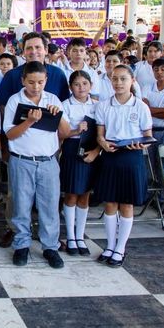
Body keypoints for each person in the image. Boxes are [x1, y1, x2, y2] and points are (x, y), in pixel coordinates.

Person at [3, 61, 69, 269]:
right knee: (21, 205)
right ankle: (21, 244)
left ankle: (50, 247)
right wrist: (29, 121)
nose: (36, 87)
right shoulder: (15, 101)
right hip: (22, 160)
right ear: (23, 80)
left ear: (46, 80)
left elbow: (65, 133)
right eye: (31, 82)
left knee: (49, 206)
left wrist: (57, 115)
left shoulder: (54, 99)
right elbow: (10, 134)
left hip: (48, 161)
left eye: (40, 82)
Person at [94, 64, 153, 267]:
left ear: (132, 81)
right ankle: (110, 245)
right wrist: (102, 143)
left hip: (132, 157)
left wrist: (141, 144)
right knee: (110, 203)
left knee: (126, 204)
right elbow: (100, 133)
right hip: (111, 156)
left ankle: (120, 248)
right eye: (115, 79)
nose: (118, 83)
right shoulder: (103, 105)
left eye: (123, 79)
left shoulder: (140, 106)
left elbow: (147, 136)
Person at [60, 71, 100, 256]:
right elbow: (62, 133)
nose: (81, 87)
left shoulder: (97, 106)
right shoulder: (65, 105)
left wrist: (96, 151)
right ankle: (70, 236)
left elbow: (103, 132)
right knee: (72, 193)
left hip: (92, 149)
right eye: (76, 84)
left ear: (90, 85)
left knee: (85, 195)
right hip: (73, 149)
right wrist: (77, 130)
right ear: (70, 87)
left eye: (85, 83)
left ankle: (80, 235)